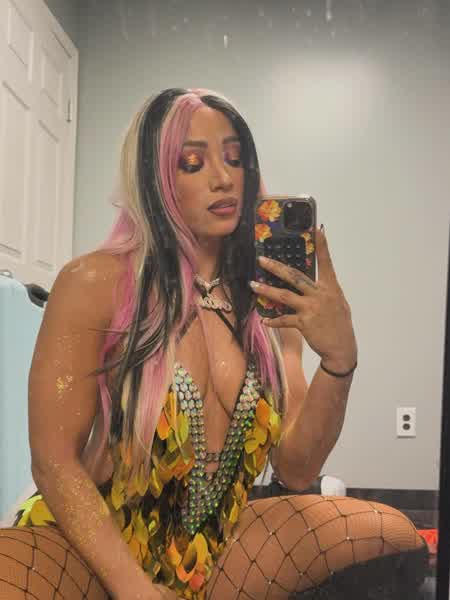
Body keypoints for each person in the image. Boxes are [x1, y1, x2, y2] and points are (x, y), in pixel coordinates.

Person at [0, 88, 428, 599]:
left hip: (210, 550)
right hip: (93, 548)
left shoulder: (272, 300)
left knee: (390, 534)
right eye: (192, 162)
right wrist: (135, 590)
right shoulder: (95, 282)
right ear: (155, 179)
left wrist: (340, 360)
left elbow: (297, 468)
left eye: (234, 158)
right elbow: (53, 460)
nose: (223, 178)